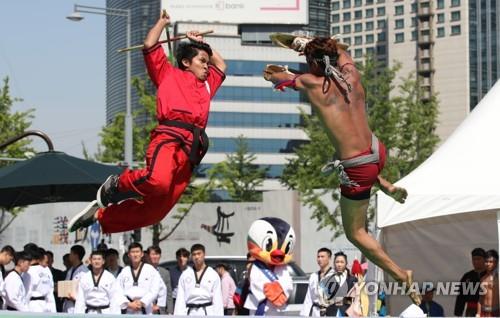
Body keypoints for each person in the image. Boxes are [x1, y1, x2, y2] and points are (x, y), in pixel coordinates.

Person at [263, 37, 419, 304]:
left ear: (313, 63)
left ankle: (401, 274)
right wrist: (305, 45)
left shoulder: (311, 83)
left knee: (355, 233)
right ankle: (386, 184)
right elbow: (342, 48)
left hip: (359, 167)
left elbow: (271, 73)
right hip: (375, 151)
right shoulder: (352, 74)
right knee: (355, 158)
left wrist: (297, 53)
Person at [68, 10, 227, 234]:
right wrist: (162, 22)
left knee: (156, 213)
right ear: (185, 62)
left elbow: (220, 63)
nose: (206, 65)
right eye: (201, 60)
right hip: (169, 138)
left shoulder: (207, 84)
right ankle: (117, 184)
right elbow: (150, 43)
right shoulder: (167, 74)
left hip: (190, 151)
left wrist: (203, 44)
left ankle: (100, 216)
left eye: (206, 61)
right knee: (158, 181)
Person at [174, 244, 223, 316]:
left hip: (207, 311)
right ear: (191, 257)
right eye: (194, 254)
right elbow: (180, 300)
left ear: (204, 254)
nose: (196, 257)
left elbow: (217, 300)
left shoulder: (213, 274)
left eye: (199, 254)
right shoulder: (185, 275)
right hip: (190, 312)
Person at [115, 242, 161, 314]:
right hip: (129, 308)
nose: (135, 254)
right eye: (133, 252)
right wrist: (128, 304)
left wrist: (142, 302)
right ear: (129, 255)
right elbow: (117, 290)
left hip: (145, 308)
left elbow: (155, 289)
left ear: (142, 254)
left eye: (137, 252)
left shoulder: (150, 270)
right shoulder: (124, 271)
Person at [301, 247, 334, 316]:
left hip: (330, 311)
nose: (319, 259)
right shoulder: (313, 276)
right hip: (315, 311)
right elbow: (309, 297)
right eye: (318, 257)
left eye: (322, 257)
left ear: (329, 258)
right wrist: (305, 314)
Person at [455, 248, 487, 316]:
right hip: (471, 311)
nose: (475, 261)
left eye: (478, 259)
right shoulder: (467, 276)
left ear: (485, 260)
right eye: (474, 259)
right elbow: (461, 296)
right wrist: (458, 313)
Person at [25, 246, 56, 312]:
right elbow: (51, 289)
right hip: (46, 304)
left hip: (33, 305)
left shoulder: (30, 270)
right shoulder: (47, 270)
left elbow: (28, 291)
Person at [147, 245, 173, 314]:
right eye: (153, 254)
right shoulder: (144, 271)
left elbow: (169, 293)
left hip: (161, 311)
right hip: (147, 309)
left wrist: (170, 312)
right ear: (148, 256)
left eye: (157, 254)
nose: (155, 256)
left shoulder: (165, 272)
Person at [63, 245, 89, 313]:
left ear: (76, 255)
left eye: (71, 253)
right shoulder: (70, 270)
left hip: (77, 305)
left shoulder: (85, 272)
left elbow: (86, 290)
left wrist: (75, 297)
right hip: (68, 305)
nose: (69, 256)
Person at [477, 249, 499, 317]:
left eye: (491, 261)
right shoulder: (482, 279)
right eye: (486, 261)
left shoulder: (498, 278)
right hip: (484, 312)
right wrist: (478, 314)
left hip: (496, 312)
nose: (488, 264)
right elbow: (480, 298)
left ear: (496, 263)